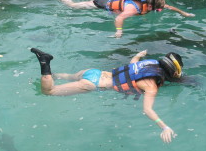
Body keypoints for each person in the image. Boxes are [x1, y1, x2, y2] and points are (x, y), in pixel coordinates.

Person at [31, 47, 184, 143]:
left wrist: (139, 54)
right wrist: (164, 127)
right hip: (93, 84)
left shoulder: (147, 64)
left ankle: (51, 75)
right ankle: (45, 63)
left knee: (69, 76)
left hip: (93, 72)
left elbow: (133, 62)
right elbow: (148, 110)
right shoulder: (151, 86)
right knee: (48, 92)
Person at [42, 0, 195, 38]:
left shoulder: (151, 0)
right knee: (75, 6)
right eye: (158, 9)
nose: (161, 10)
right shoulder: (133, 8)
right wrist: (119, 32)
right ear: (150, 6)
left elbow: (169, 7)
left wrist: (184, 13)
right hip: (104, 4)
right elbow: (119, 18)